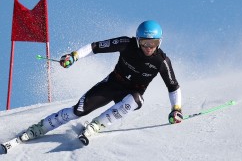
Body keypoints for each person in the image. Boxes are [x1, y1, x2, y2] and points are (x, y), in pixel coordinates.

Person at [19, 20, 183, 143]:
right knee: (78, 110)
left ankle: (97, 124)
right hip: (112, 84)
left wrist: (176, 109)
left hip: (132, 92)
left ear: (159, 42)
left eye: (153, 43)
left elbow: (173, 86)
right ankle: (41, 127)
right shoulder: (126, 44)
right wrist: (74, 56)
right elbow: (95, 47)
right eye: (145, 43)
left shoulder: (162, 61)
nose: (149, 47)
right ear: (138, 40)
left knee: (136, 100)